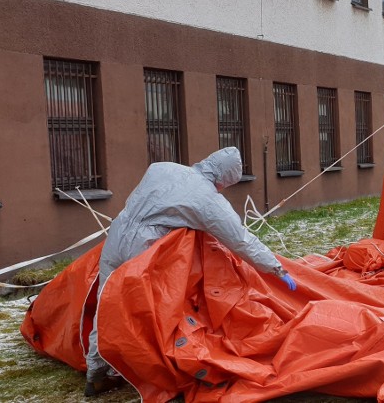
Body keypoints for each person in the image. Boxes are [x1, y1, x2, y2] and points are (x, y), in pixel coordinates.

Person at [84, 147, 296, 397]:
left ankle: (96, 371)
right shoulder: (209, 200)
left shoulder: (161, 167)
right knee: (152, 311)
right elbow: (240, 240)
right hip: (145, 250)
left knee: (106, 305)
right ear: (224, 180)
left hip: (116, 236)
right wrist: (276, 268)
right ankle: (153, 368)